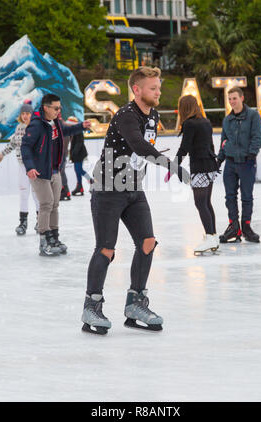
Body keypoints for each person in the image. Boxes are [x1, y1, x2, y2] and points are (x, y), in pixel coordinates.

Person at [81, 66, 190, 335]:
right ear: (137, 90)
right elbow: (139, 145)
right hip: (108, 189)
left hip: (133, 188)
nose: (158, 91)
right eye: (153, 88)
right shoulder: (125, 116)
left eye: (159, 87)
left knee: (147, 242)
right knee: (106, 248)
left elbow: (143, 149)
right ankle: (91, 306)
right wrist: (170, 165)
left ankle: (135, 303)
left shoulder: (152, 114)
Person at [21, 93, 91, 257]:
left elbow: (67, 130)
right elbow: (25, 147)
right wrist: (30, 167)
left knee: (54, 205)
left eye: (60, 108)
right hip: (40, 172)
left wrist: (82, 125)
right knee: (46, 204)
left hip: (55, 170)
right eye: (56, 108)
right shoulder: (36, 125)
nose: (59, 111)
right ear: (46, 108)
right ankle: (44, 242)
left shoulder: (56, 122)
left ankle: (54, 238)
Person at [164, 95, 219, 255]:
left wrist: (173, 167)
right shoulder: (206, 122)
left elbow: (184, 149)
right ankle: (213, 236)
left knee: (200, 203)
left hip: (200, 167)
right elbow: (211, 145)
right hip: (210, 165)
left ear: (184, 108)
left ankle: (210, 236)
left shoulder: (189, 124)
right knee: (206, 203)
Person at [217, 87, 261, 243]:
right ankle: (234, 227)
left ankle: (246, 227)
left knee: (246, 196)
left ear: (242, 98)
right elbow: (223, 141)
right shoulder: (227, 120)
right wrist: (219, 159)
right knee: (229, 196)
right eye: (229, 99)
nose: (231, 102)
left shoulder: (253, 116)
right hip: (230, 163)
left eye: (234, 98)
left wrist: (252, 154)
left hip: (246, 162)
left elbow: (257, 136)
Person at [0, 103, 39, 235]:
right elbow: (13, 143)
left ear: (32, 114)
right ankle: (23, 223)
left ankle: (40, 221)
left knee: (37, 195)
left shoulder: (36, 128)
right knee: (24, 194)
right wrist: (2, 154)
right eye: (23, 114)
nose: (25, 116)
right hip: (22, 166)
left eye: (28, 113)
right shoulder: (19, 128)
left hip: (35, 166)